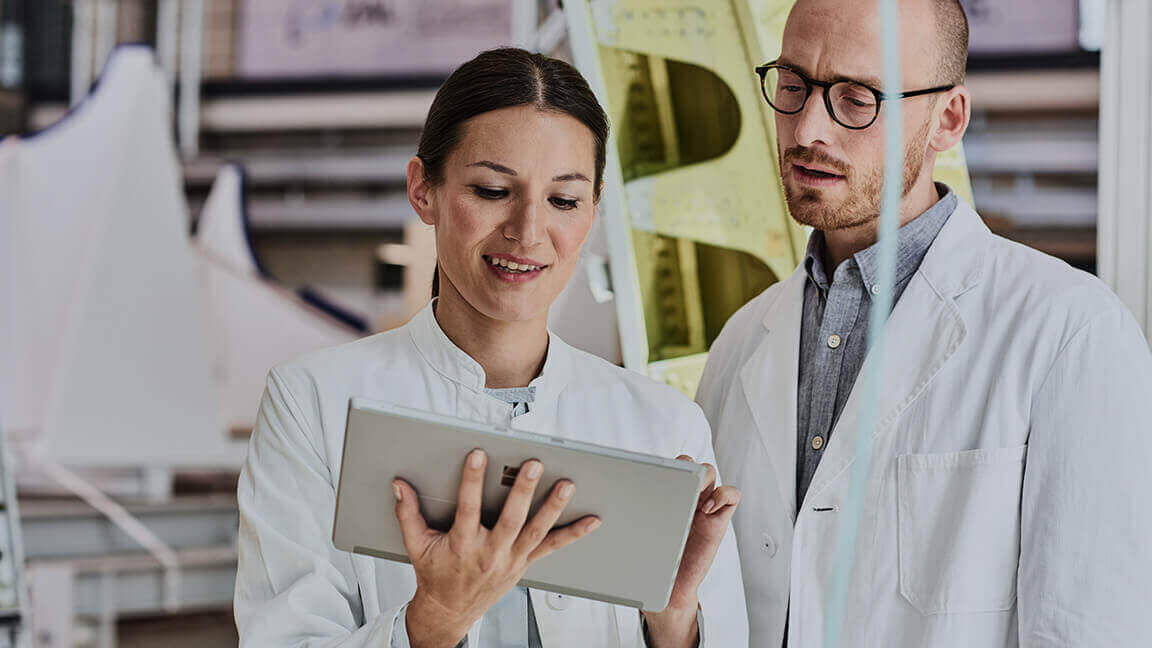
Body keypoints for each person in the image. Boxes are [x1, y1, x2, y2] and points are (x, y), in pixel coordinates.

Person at [234, 48, 748, 648]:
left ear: (593, 211)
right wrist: (431, 623)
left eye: (563, 200)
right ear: (423, 190)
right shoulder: (312, 403)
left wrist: (676, 622)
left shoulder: (664, 427)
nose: (528, 232)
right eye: (492, 189)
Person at [695, 1, 1152, 646]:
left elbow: (1092, 630)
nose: (806, 131)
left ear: (948, 118)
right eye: (793, 87)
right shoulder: (740, 343)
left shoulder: (1071, 334)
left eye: (856, 99)